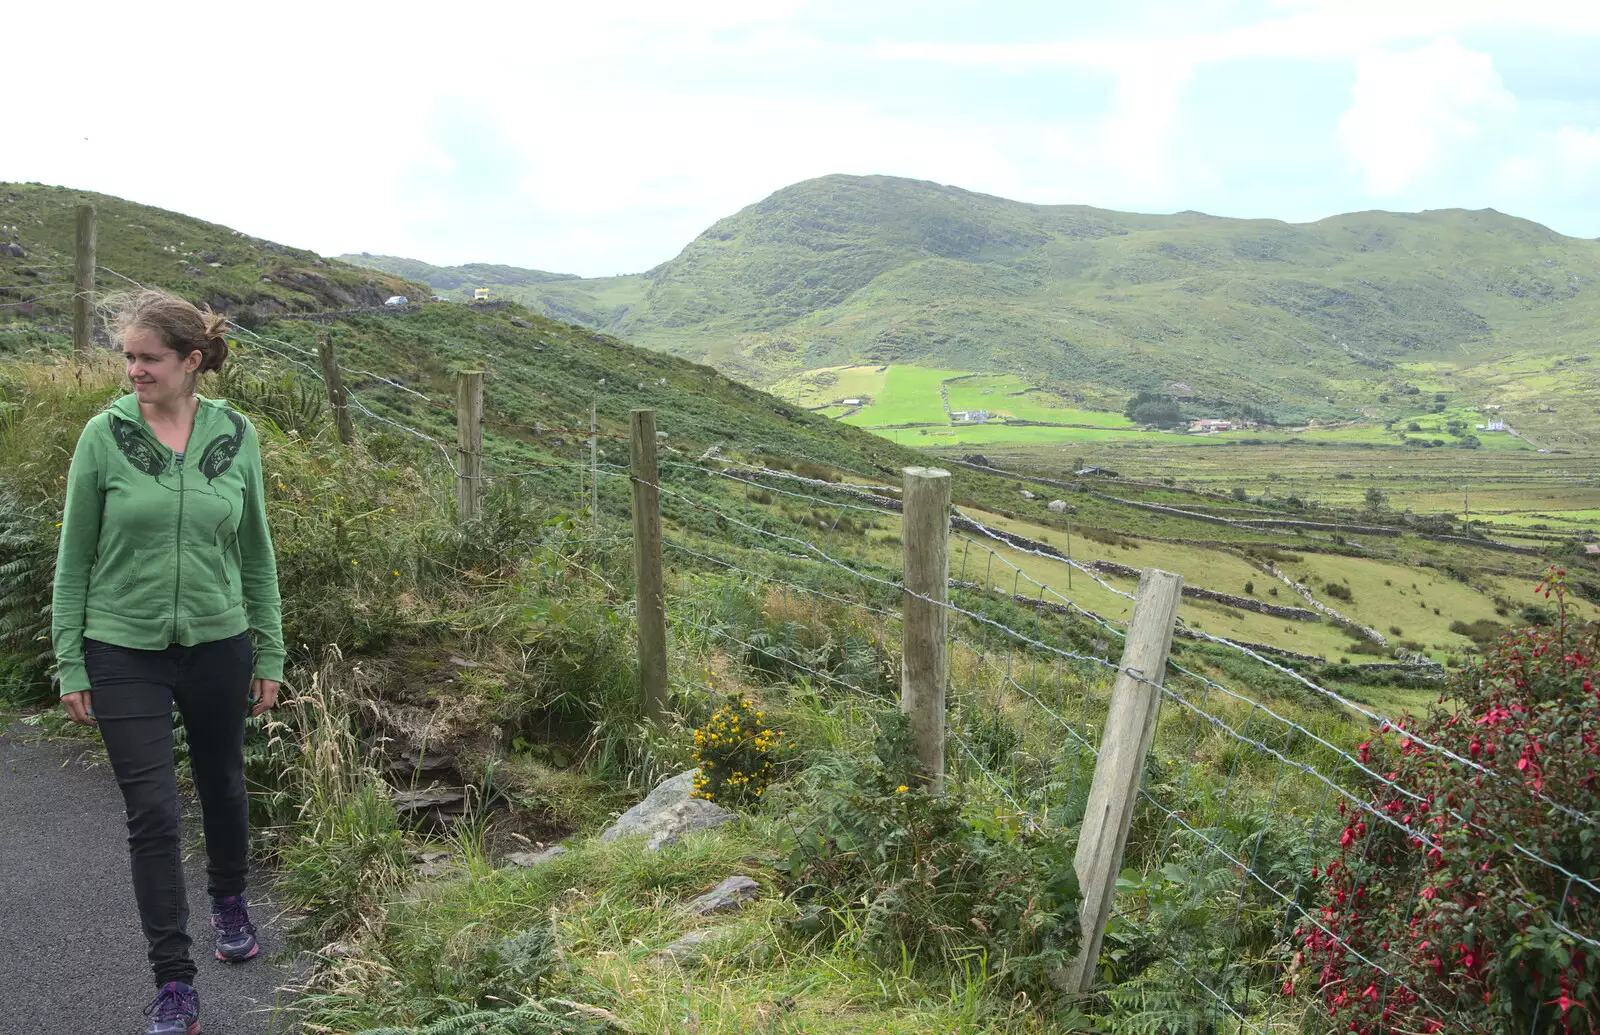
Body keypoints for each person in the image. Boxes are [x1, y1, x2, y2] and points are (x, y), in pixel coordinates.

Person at [51, 289, 286, 1035]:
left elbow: (256, 550)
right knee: (152, 813)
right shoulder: (103, 435)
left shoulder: (236, 434)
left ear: (191, 361)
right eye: (127, 356)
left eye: (148, 358)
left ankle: (227, 898)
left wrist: (269, 646)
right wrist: (71, 661)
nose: (133, 371)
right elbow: (73, 556)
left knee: (221, 783)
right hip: (121, 645)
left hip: (219, 640)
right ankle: (174, 981)